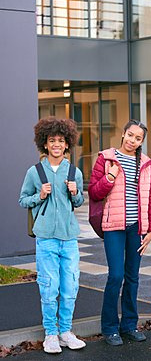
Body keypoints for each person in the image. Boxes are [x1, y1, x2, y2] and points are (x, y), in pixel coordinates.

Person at [88, 119, 151, 346]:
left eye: (138, 138)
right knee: (116, 275)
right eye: (130, 135)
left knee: (133, 277)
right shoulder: (106, 158)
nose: (132, 141)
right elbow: (93, 192)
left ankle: (129, 325)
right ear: (123, 134)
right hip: (113, 227)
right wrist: (109, 177)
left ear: (141, 141)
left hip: (135, 229)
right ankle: (109, 328)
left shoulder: (146, 164)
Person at [19, 117, 86, 354]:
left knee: (70, 286)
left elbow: (78, 201)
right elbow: (22, 200)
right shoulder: (35, 172)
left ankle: (65, 331)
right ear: (44, 144)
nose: (56, 144)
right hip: (46, 237)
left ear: (67, 144)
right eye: (51, 141)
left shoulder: (74, 171)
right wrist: (40, 195)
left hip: (69, 238)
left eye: (61, 140)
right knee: (49, 286)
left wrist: (76, 192)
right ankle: (51, 334)